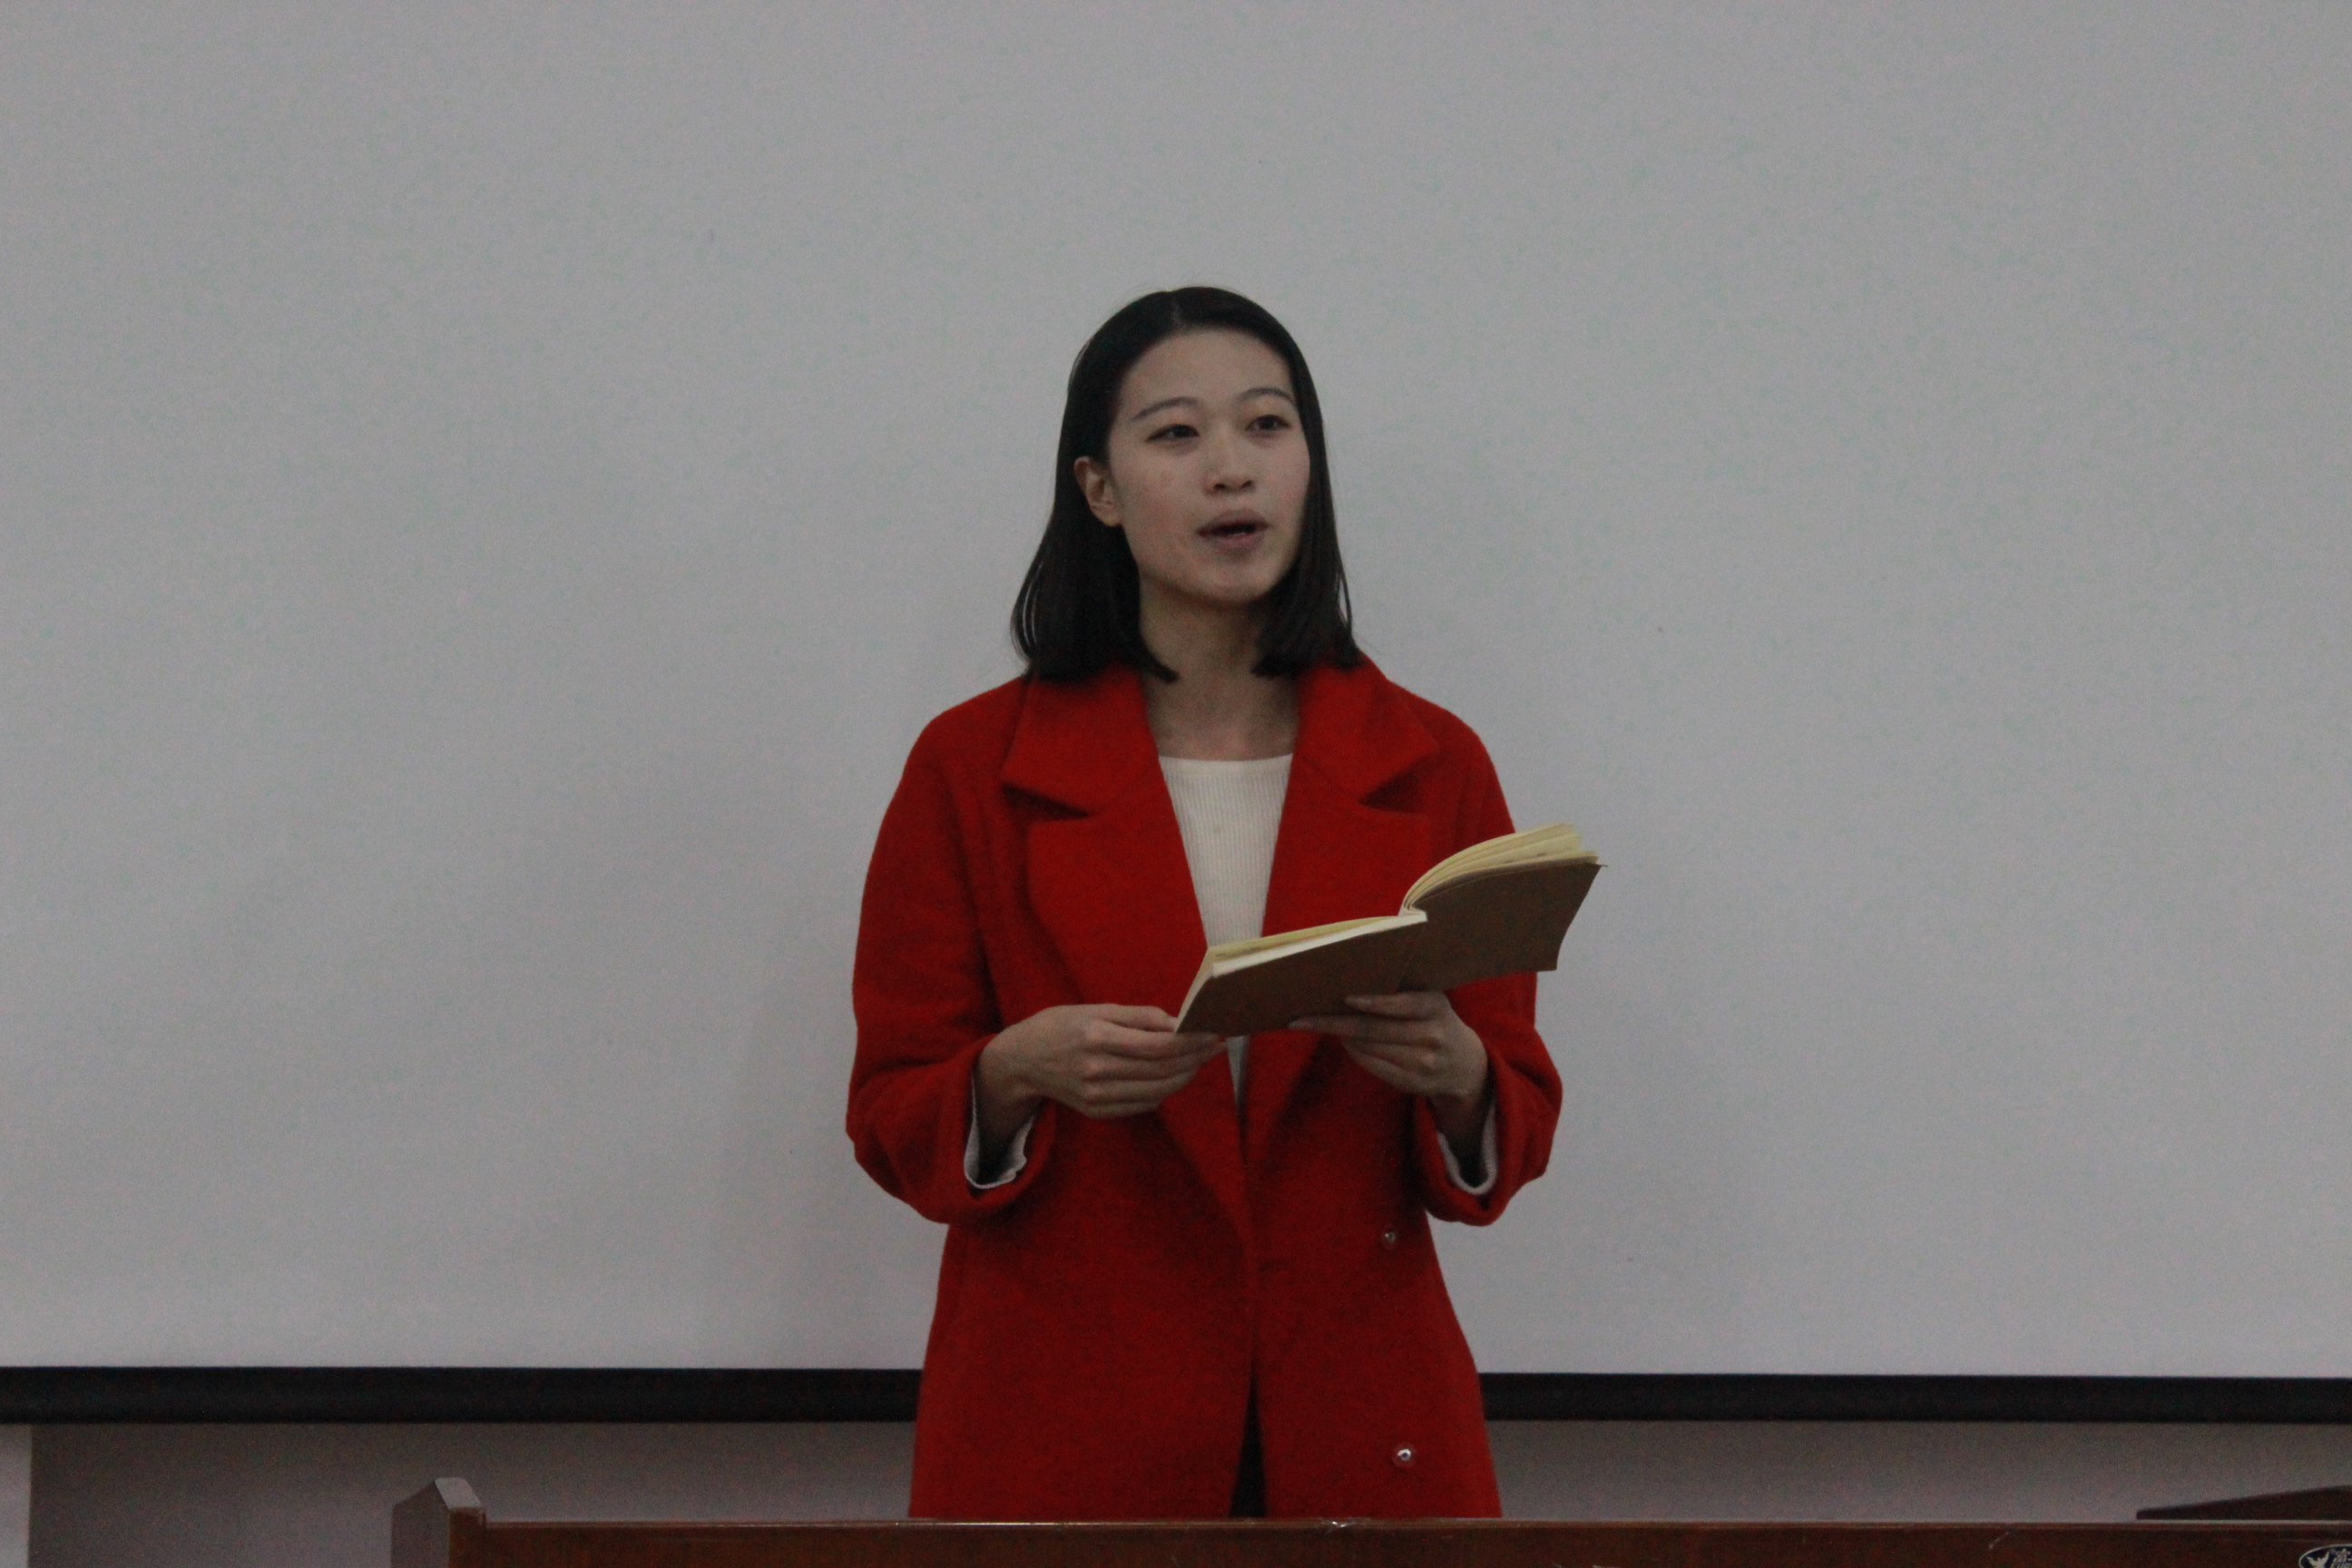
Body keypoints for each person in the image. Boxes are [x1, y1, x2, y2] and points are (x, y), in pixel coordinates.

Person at [847, 286, 1561, 1520]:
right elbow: (889, 1109)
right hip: (1063, 1425)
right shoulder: (973, 767)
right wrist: (1013, 1074)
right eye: (1177, 435)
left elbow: (1515, 1104)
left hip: (1358, 1418)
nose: (1232, 469)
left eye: (1268, 427)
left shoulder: (1429, 760)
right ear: (1098, 488)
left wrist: (1456, 1073)